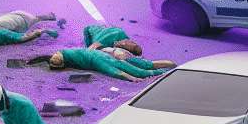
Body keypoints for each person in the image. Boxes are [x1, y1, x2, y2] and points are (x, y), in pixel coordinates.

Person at [36, 47, 174, 81]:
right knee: (136, 66)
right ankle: (166, 65)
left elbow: (115, 73)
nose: (55, 59)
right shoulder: (68, 53)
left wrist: (133, 79)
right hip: (102, 56)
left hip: (99, 60)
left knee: (139, 74)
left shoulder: (67, 55)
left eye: (54, 58)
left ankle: (167, 71)